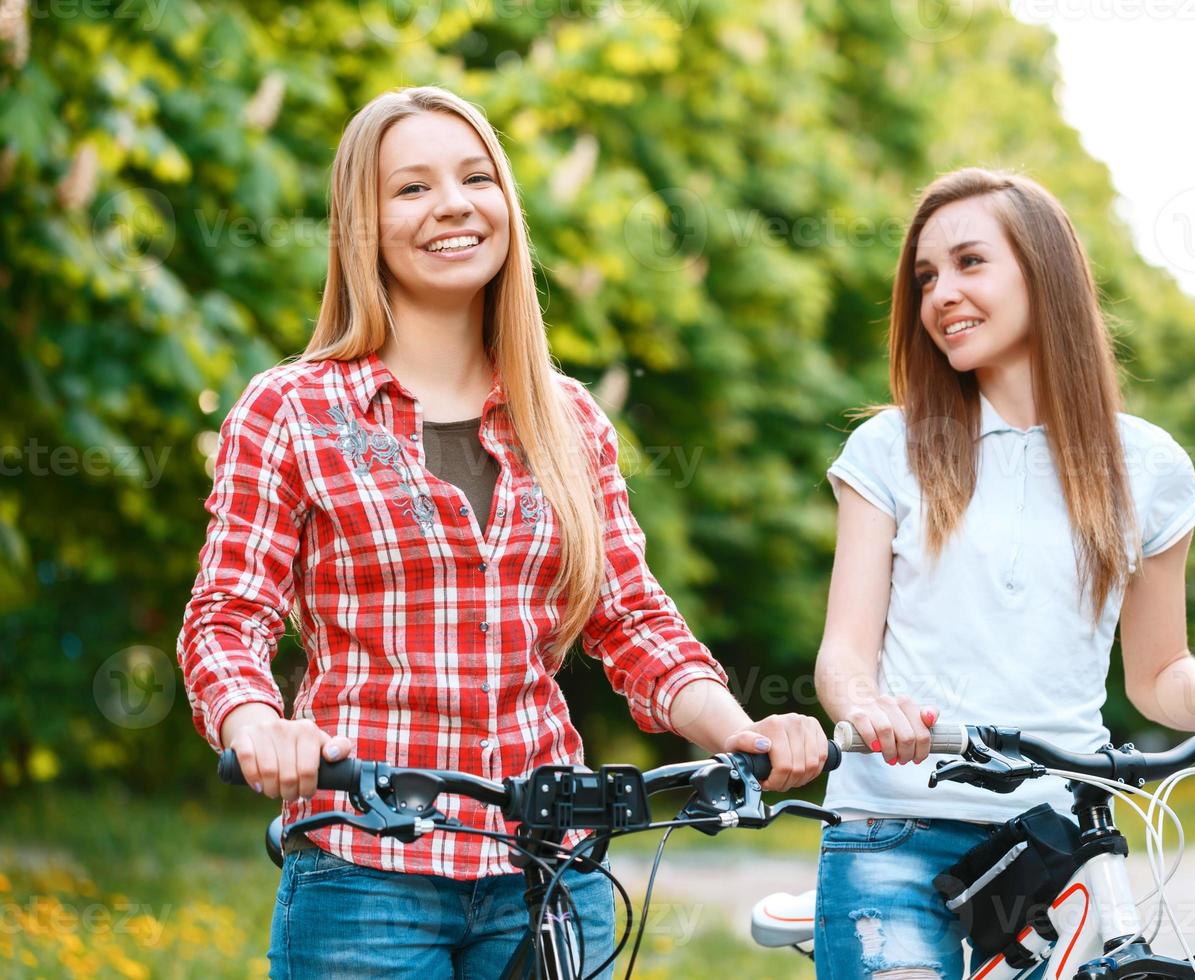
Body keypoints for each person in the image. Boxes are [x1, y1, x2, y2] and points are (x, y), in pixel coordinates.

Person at [177, 85, 829, 978]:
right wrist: (257, 724)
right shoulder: (291, 410)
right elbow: (227, 615)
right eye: (411, 188)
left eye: (475, 176)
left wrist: (739, 729)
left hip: (552, 874)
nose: (451, 203)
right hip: (366, 878)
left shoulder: (569, 419)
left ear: (506, 207)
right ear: (360, 225)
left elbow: (629, 620)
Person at [811, 168, 1195, 979]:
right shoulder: (887, 451)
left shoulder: (1148, 468)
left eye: (971, 263)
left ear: (1044, 274)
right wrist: (869, 710)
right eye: (927, 277)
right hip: (891, 830)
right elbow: (842, 658)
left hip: (1057, 835)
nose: (941, 294)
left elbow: (1158, 674)